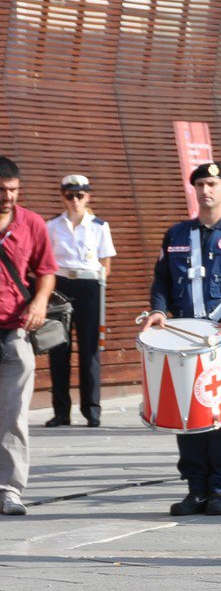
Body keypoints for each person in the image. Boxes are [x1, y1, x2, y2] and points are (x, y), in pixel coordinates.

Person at [143, 162, 221, 517]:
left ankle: (220, 488)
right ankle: (196, 487)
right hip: (185, 341)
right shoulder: (177, 234)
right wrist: (158, 311)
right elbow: (163, 282)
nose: (205, 190)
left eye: (212, 183)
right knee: (187, 412)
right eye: (199, 184)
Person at [0, 156, 58, 516]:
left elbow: (46, 270)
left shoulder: (31, 222)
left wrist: (39, 300)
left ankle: (9, 489)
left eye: (13, 190)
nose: (8, 197)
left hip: (15, 330)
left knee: (13, 414)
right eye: (2, 190)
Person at [44, 173, 114, 428]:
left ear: (88, 196)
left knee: (90, 349)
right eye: (70, 195)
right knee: (58, 349)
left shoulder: (99, 226)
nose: (75, 200)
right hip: (60, 285)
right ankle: (61, 411)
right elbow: (45, 262)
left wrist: (95, 282)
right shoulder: (51, 226)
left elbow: (106, 263)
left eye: (80, 195)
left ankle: (92, 411)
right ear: (63, 196)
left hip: (89, 284)